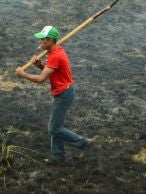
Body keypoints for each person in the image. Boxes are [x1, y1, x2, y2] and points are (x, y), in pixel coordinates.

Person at [16, 25, 92, 161]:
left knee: (54, 129)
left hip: (64, 94)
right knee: (57, 126)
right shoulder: (55, 51)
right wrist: (40, 65)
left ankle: (83, 143)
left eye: (42, 39)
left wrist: (23, 74)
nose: (40, 41)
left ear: (51, 41)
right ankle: (59, 157)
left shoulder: (55, 55)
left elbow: (41, 79)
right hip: (63, 92)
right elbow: (52, 71)